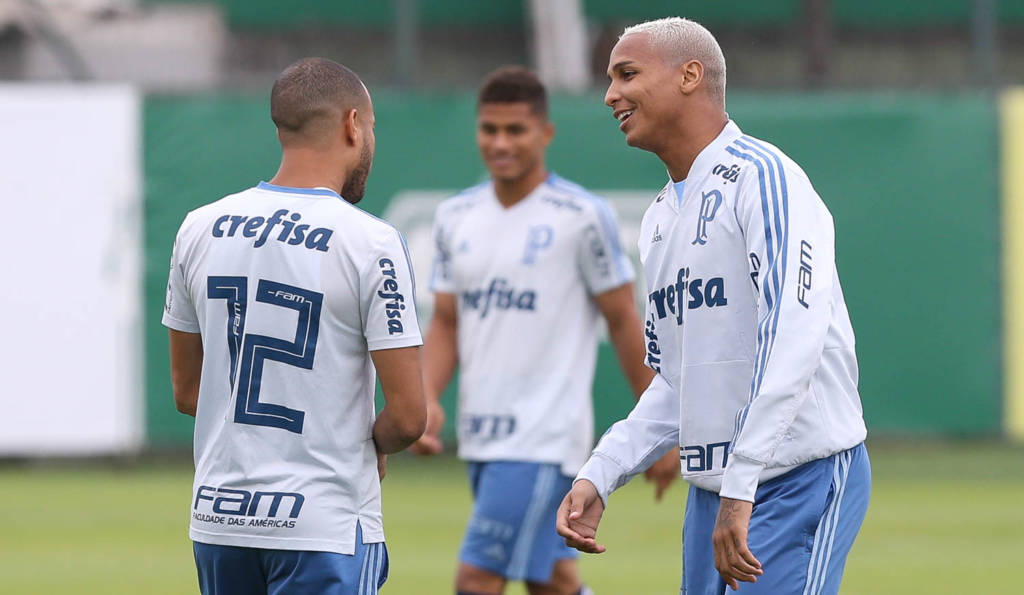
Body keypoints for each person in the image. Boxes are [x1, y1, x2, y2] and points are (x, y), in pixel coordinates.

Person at [556, 17, 871, 595]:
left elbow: (794, 338)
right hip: (716, 492)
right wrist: (601, 471)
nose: (610, 95)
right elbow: (677, 381)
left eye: (627, 74)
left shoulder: (766, 179)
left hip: (796, 475)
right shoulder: (659, 219)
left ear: (689, 76)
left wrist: (742, 483)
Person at [409, 66, 679, 595]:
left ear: (545, 133)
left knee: (476, 579)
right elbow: (446, 319)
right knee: (552, 581)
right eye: (490, 129)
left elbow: (624, 318)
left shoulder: (582, 216)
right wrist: (425, 400)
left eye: (516, 129)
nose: (500, 143)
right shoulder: (455, 216)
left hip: (544, 438)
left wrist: (657, 433)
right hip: (482, 437)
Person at [162, 57, 426, 595]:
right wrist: (371, 444)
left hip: (219, 521)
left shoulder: (198, 228)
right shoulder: (372, 243)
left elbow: (189, 392)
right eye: (372, 127)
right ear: (353, 124)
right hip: (323, 525)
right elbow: (408, 417)